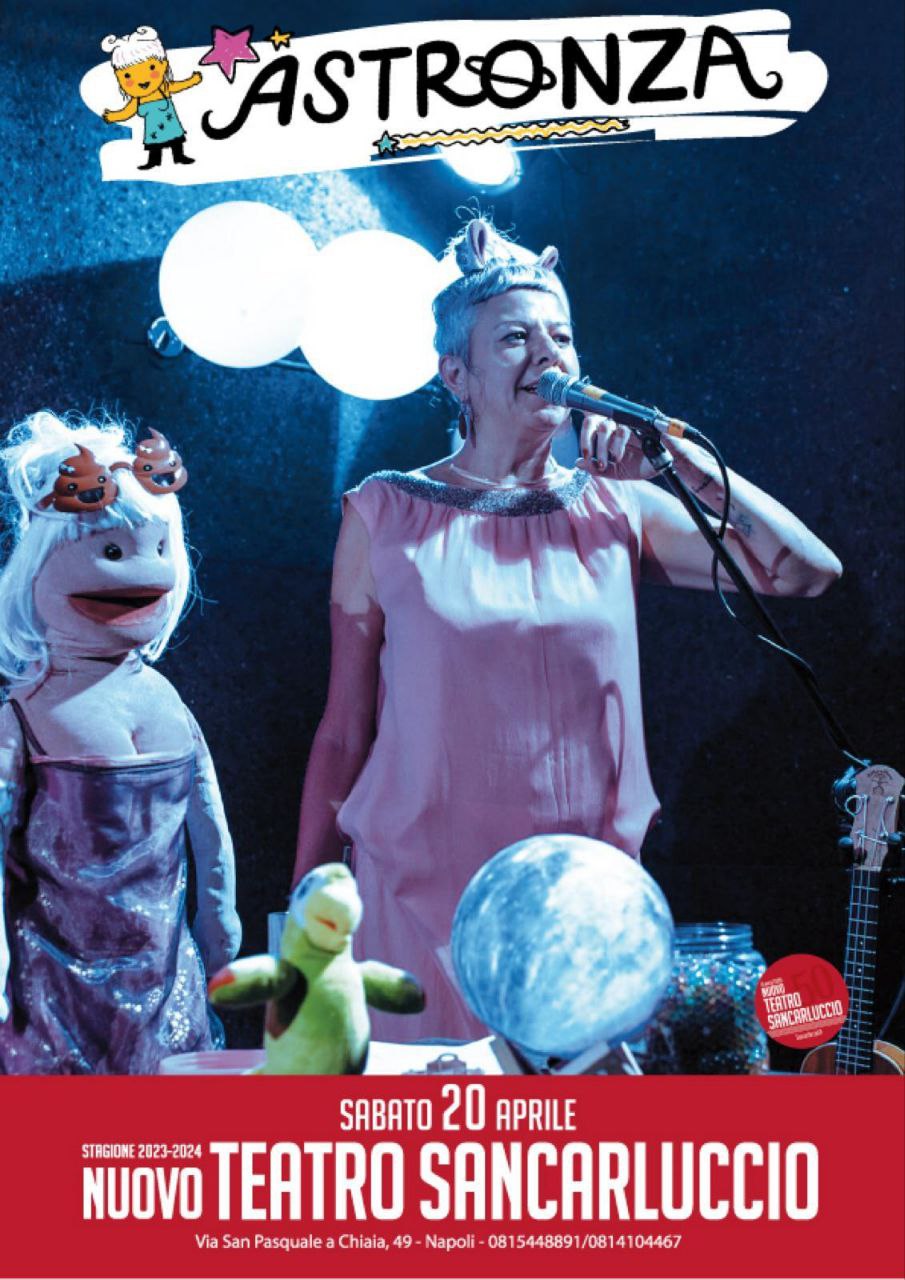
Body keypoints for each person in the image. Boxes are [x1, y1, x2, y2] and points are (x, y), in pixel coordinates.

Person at [292, 218, 842, 1043]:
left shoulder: (616, 507)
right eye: (514, 338)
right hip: (419, 886)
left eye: (561, 336)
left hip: (581, 898)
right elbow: (343, 730)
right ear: (455, 374)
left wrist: (682, 465)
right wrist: (305, 923)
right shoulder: (386, 512)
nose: (546, 355)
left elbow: (805, 572)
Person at [0, 412, 240, 1072]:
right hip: (55, 992)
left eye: (159, 548)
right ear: (38, 568)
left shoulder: (167, 702)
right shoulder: (23, 716)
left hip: (169, 983)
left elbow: (208, 824)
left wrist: (219, 918)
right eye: (111, 552)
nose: (144, 570)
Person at [101, 26, 202, 170]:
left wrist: (192, 81)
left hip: (170, 122)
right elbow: (127, 111)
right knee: (154, 144)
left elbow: (178, 86)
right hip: (153, 129)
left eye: (151, 68)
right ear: (119, 78)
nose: (142, 79)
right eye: (128, 75)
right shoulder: (138, 99)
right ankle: (154, 161)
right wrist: (113, 116)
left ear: (163, 65)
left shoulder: (163, 88)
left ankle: (179, 156)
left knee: (176, 139)